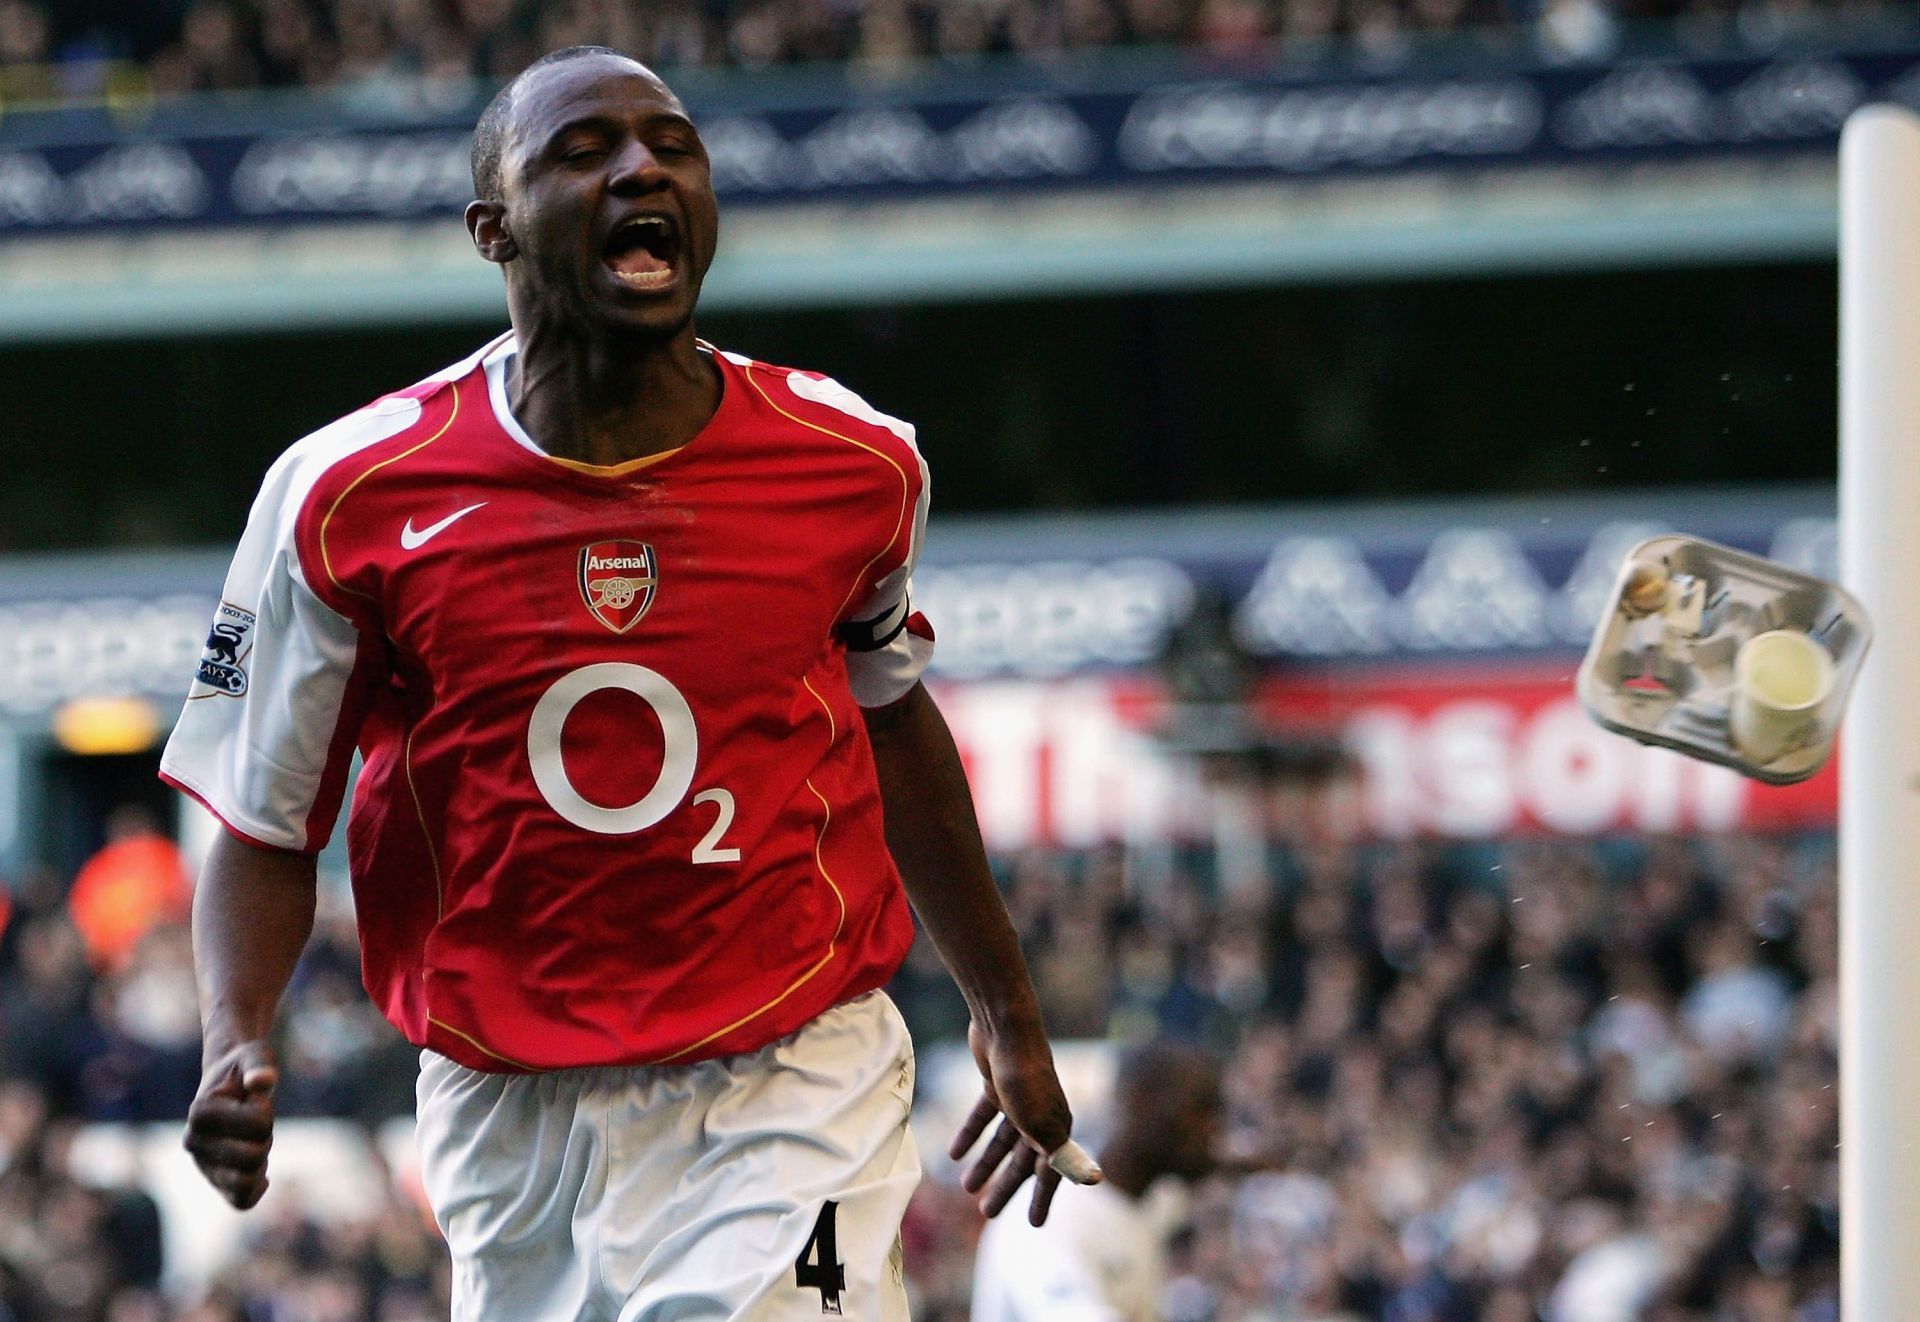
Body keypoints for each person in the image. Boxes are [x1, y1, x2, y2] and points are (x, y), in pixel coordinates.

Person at [162, 44, 1095, 1321]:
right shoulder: (343, 494)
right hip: (508, 1103)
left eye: (671, 145)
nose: (644, 167)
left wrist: (1009, 1010)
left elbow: (891, 718)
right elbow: (267, 815)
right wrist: (235, 1035)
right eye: (584, 152)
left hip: (792, 1074)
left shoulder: (854, 460)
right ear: (493, 228)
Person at [970, 1041, 1222, 1322]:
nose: (1214, 1130)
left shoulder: (1156, 1200)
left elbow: (1212, 1166)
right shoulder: (1049, 1213)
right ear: (1139, 1100)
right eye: (1201, 1110)